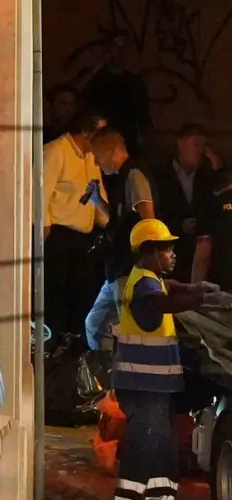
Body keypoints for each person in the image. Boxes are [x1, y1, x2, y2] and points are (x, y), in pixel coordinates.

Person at [108, 218, 230, 500]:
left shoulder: (149, 277)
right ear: (148, 252)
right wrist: (203, 299)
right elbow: (163, 301)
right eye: (166, 248)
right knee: (145, 441)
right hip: (141, 382)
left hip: (153, 384)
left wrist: (197, 288)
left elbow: (173, 288)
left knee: (162, 440)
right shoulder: (145, 285)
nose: (173, 253)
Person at [86, 128, 160, 350]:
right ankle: (108, 375)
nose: (98, 165)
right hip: (117, 268)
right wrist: (98, 201)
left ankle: (133, 377)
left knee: (132, 327)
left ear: (110, 152)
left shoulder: (134, 174)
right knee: (96, 323)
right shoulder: (124, 177)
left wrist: (144, 265)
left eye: (98, 158)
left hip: (129, 268)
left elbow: (148, 218)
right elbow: (123, 220)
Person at [42, 110, 109, 337]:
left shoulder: (91, 157)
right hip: (58, 233)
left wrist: (110, 222)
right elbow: (41, 192)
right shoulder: (56, 151)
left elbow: (96, 192)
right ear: (86, 131)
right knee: (56, 293)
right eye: (100, 132)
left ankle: (76, 342)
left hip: (83, 236)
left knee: (82, 293)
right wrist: (42, 228)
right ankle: (53, 342)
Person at [152, 123, 219, 282]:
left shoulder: (207, 177)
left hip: (198, 259)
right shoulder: (160, 175)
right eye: (196, 144)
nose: (200, 150)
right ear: (180, 143)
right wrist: (178, 225)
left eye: (203, 146)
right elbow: (154, 212)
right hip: (169, 255)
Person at [82, 32, 152, 157]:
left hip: (128, 145)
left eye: (124, 48)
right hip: (102, 144)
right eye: (116, 48)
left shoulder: (135, 83)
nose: (120, 53)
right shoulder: (98, 81)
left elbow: (143, 116)